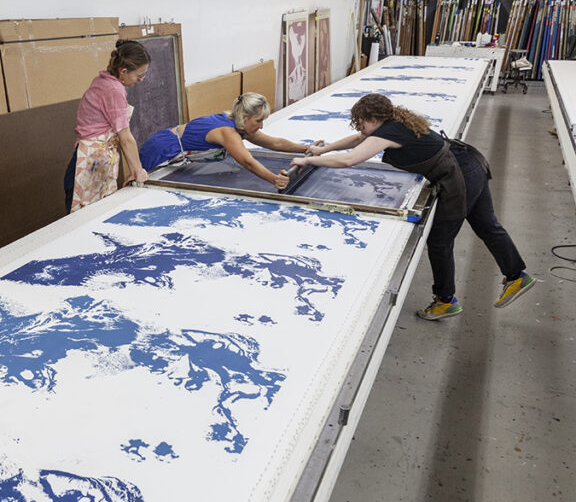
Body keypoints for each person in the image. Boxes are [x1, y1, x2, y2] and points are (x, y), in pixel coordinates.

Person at [290, 93, 535, 320]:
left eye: (361, 122)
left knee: (440, 241)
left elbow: (350, 159)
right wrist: (324, 149)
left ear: (373, 119)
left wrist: (309, 159)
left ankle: (445, 300)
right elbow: (359, 139)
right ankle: (516, 276)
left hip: (459, 177)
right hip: (471, 164)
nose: (359, 128)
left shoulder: (388, 132)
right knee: (487, 226)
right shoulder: (394, 123)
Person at [138, 92, 324, 190]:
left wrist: (306, 149)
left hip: (172, 149)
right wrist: (274, 179)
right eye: (258, 121)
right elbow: (247, 162)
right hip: (161, 148)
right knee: (139, 184)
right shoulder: (228, 132)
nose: (261, 126)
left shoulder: (239, 123)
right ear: (245, 117)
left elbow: (273, 143)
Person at [64, 40, 150, 213]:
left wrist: (135, 170)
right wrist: (138, 171)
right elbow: (126, 139)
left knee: (99, 213)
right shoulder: (113, 90)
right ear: (123, 71)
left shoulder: (103, 80)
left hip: (100, 159)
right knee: (83, 217)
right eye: (139, 75)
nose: (141, 80)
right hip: (89, 162)